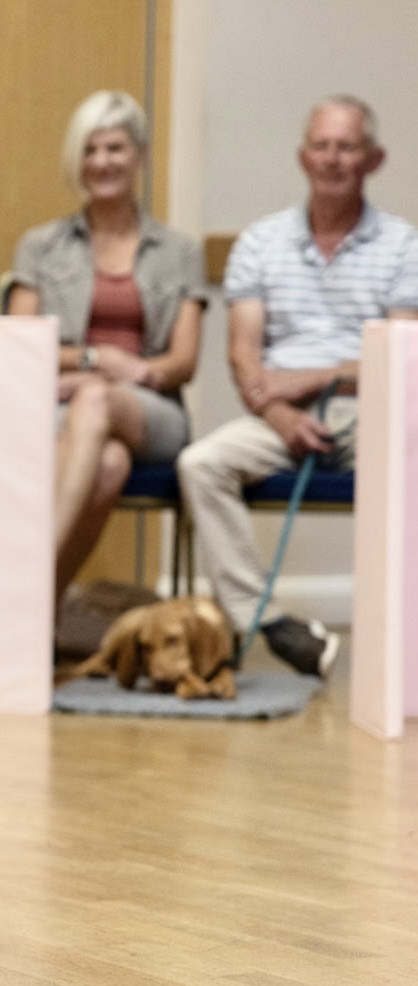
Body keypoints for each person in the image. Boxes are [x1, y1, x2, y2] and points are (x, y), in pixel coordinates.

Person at [176, 96, 418, 676]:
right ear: (302, 157)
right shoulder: (259, 242)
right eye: (321, 145)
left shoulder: (405, 245)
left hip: (373, 414)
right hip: (277, 417)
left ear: (374, 159)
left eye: (347, 147)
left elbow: (403, 356)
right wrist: (284, 416)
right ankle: (265, 622)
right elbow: (243, 355)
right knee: (200, 464)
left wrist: (315, 376)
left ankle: (402, 649)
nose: (332, 159)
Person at [7, 90, 208, 602]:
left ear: (138, 155)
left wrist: (114, 376)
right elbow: (19, 341)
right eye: (90, 150)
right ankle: (43, 615)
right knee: (110, 465)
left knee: (96, 402)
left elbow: (182, 362)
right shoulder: (42, 245)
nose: (102, 162)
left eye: (115, 149)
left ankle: (20, 587)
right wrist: (94, 360)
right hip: (59, 402)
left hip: (152, 409)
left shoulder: (180, 250)